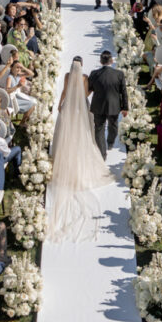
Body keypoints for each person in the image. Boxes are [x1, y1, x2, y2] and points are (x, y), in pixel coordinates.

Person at [47, 58, 114, 240]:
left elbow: (64, 91)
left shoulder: (67, 76)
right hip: (81, 107)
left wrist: (60, 104)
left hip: (69, 105)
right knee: (82, 133)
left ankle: (63, 157)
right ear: (82, 65)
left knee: (66, 131)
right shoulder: (84, 77)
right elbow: (85, 94)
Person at [88, 50, 129, 158]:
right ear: (111, 61)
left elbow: (90, 88)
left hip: (98, 105)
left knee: (99, 129)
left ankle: (102, 153)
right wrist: (125, 107)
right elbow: (124, 92)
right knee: (113, 126)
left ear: (101, 61)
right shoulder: (119, 74)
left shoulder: (94, 74)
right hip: (113, 105)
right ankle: (110, 143)